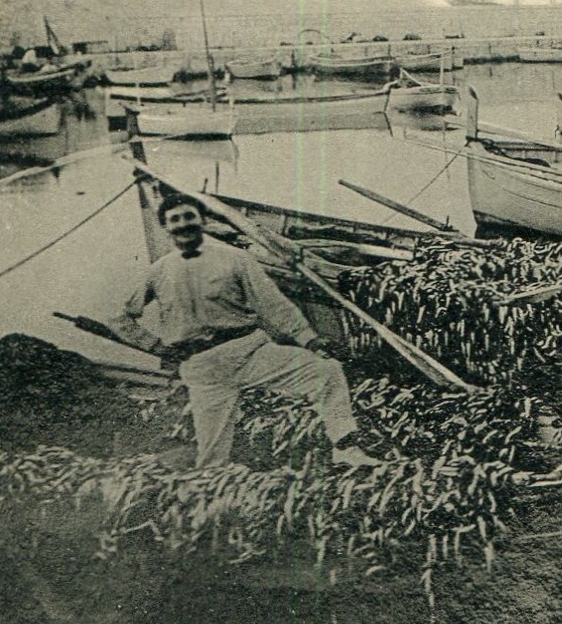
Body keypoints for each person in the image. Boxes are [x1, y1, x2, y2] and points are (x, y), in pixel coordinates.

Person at [113, 193, 374, 468]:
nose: (183, 224)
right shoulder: (158, 271)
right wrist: (155, 346)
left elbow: (273, 305)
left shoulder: (236, 259)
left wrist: (309, 340)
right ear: (165, 226)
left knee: (326, 371)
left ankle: (345, 449)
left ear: (202, 220)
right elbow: (121, 318)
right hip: (204, 369)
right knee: (212, 458)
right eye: (174, 220)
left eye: (189, 216)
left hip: (249, 353)